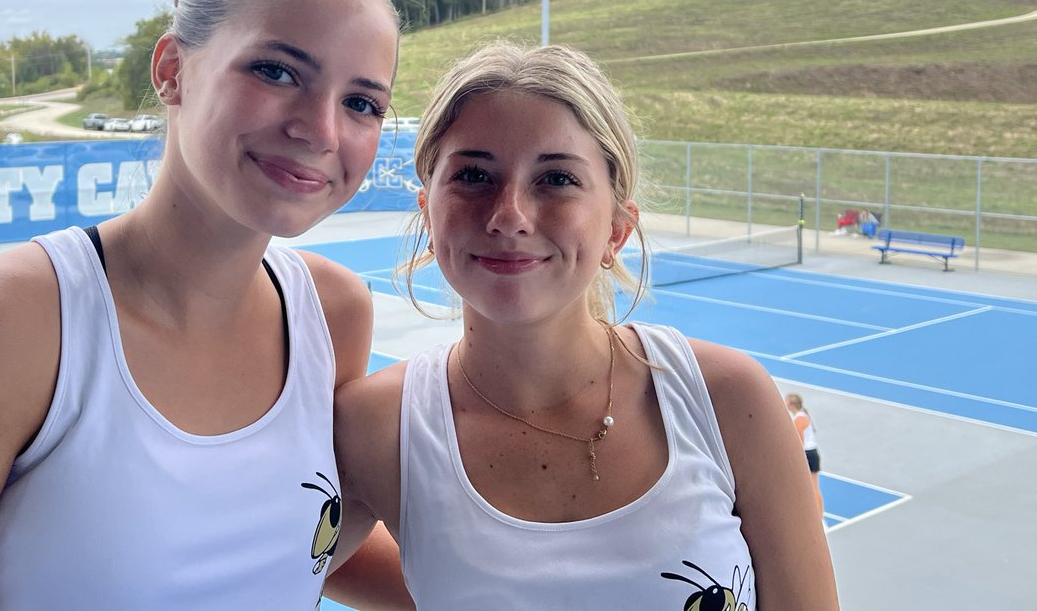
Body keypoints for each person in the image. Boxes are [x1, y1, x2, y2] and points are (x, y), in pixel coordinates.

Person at [0, 0, 410, 609]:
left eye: (361, 103)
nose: (321, 130)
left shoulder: (333, 310)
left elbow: (298, 542)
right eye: (276, 72)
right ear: (172, 70)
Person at [332, 41, 838, 609]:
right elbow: (267, 559)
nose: (510, 216)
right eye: (473, 174)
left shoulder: (727, 401)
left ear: (618, 229)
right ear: (427, 213)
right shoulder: (376, 427)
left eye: (557, 180)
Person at [785, 392, 825, 519]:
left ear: (791, 404)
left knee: (809, 487)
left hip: (807, 454)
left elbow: (799, 441)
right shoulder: (803, 416)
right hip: (812, 453)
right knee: (812, 487)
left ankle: (818, 517)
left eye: (786, 402)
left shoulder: (799, 419)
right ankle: (818, 517)